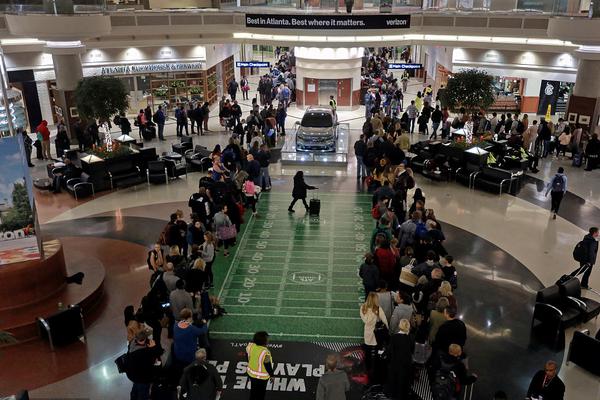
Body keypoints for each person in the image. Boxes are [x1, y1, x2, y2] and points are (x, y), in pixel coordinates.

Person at [125, 331, 162, 400]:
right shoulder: (144, 352)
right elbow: (153, 360)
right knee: (143, 394)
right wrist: (153, 348)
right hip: (142, 378)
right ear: (145, 339)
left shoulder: (132, 343)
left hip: (132, 373)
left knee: (135, 388)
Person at [360, 292, 388, 377]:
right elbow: (384, 321)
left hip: (368, 333)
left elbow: (365, 321)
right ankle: (374, 368)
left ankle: (368, 368)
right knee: (375, 351)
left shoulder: (363, 307)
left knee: (368, 352)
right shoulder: (377, 309)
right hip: (375, 334)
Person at [386, 319, 413, 400]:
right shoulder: (411, 337)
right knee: (404, 382)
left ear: (399, 326)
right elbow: (412, 350)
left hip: (395, 364)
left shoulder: (394, 337)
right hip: (406, 364)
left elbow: (390, 352)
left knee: (395, 381)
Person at [246, 331, 273, 400]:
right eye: (267, 339)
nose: (268, 340)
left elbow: (247, 356)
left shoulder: (250, 346)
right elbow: (267, 365)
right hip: (262, 378)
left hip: (251, 374)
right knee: (261, 395)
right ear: (264, 341)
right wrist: (272, 375)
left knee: (253, 392)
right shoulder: (265, 352)